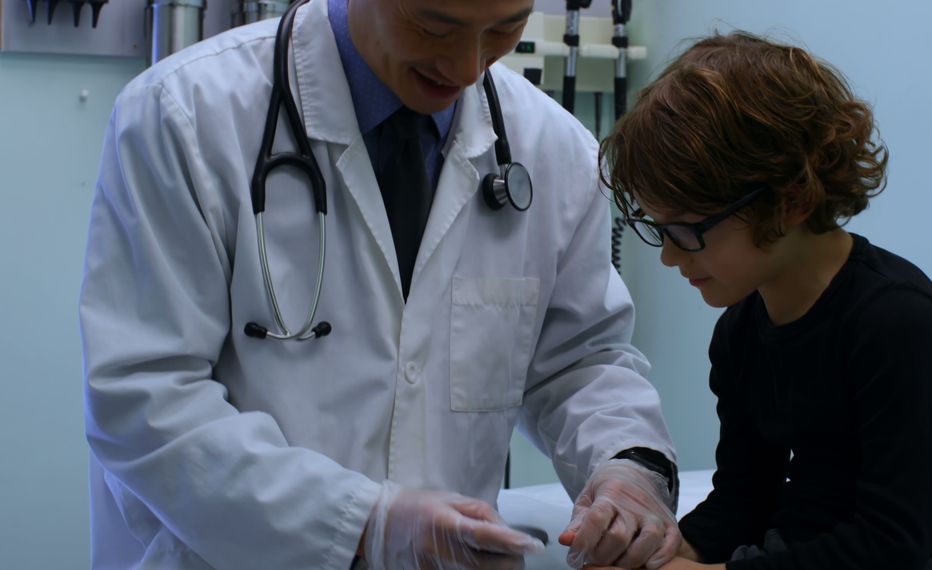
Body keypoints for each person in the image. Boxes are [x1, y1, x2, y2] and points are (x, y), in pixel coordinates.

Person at [78, 0, 681, 568]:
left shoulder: (554, 148)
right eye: (435, 25)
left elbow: (579, 361)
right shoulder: (183, 117)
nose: (467, 66)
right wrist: (360, 524)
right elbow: (146, 399)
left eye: (504, 26)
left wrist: (627, 465)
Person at [592, 32, 932, 570]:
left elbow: (892, 545)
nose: (671, 259)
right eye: (659, 230)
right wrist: (658, 551)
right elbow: (743, 500)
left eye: (688, 231)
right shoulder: (742, 329)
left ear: (788, 201)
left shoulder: (902, 326)